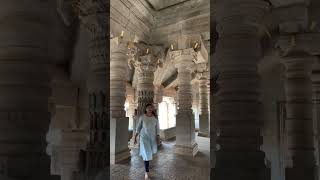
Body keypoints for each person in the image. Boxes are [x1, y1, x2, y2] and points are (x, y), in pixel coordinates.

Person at [134, 103, 160, 180]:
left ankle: (147, 164)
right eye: (148, 107)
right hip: (143, 137)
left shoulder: (155, 118)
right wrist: (135, 137)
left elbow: (157, 129)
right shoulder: (142, 117)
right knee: (147, 154)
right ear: (146, 109)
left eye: (151, 107)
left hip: (152, 138)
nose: (149, 109)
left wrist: (158, 137)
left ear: (152, 109)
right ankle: (146, 173)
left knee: (149, 153)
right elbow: (138, 128)